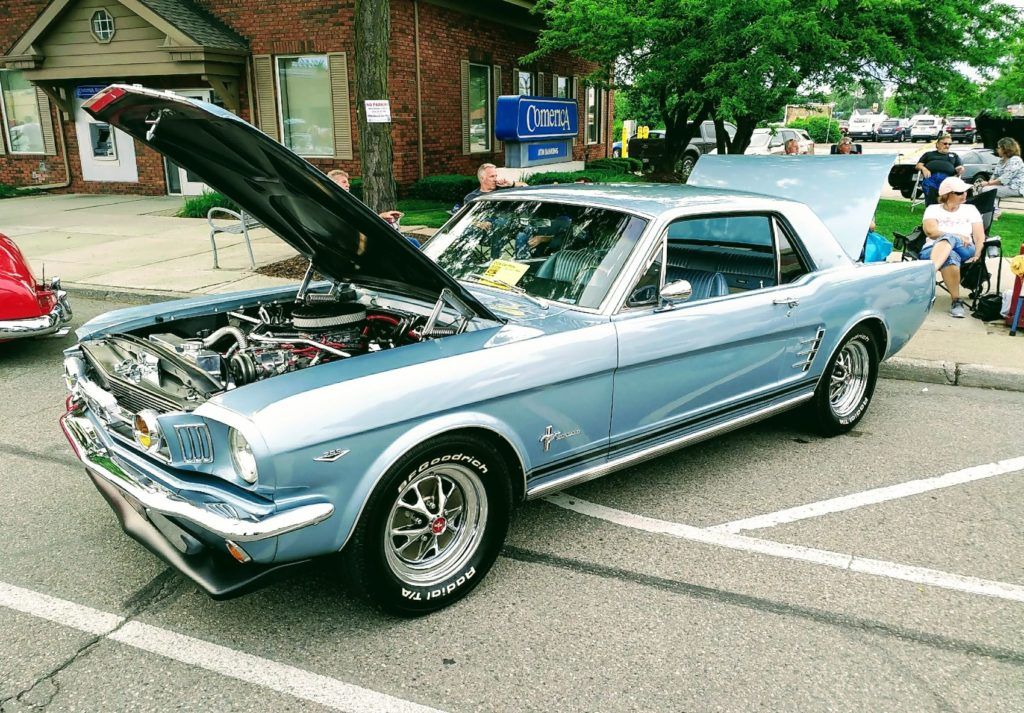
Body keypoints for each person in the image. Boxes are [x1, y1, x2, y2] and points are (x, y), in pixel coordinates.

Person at [919, 176, 985, 318]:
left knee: (949, 239)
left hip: (965, 249)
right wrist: (955, 235)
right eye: (960, 193)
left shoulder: (971, 209)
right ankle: (956, 301)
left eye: (966, 191)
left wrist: (978, 254)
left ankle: (930, 271)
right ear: (947, 194)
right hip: (932, 249)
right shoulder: (933, 209)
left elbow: (980, 236)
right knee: (950, 255)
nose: (965, 195)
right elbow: (931, 232)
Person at [327, 169, 403, 225]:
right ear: (334, 184)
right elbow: (361, 222)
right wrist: (381, 217)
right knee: (412, 242)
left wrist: (382, 217)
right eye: (344, 182)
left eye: (347, 182)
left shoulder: (345, 201)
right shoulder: (337, 203)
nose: (348, 185)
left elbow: (362, 220)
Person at [978, 137, 1023, 217]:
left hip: (1016, 188)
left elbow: (1004, 179)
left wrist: (988, 183)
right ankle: (991, 212)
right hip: (1005, 186)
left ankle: (995, 212)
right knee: (987, 189)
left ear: (1005, 148)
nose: (997, 149)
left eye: (999, 147)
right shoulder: (1001, 160)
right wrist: (989, 183)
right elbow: (995, 175)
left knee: (987, 190)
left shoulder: (1015, 160)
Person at [915, 135, 964, 206]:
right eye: (945, 143)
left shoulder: (954, 156)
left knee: (947, 187)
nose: (947, 146)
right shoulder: (929, 154)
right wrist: (924, 168)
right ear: (937, 144)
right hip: (931, 177)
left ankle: (939, 206)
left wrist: (960, 169)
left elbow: (959, 167)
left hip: (947, 178)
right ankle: (931, 207)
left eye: (949, 144)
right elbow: (918, 165)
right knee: (929, 186)